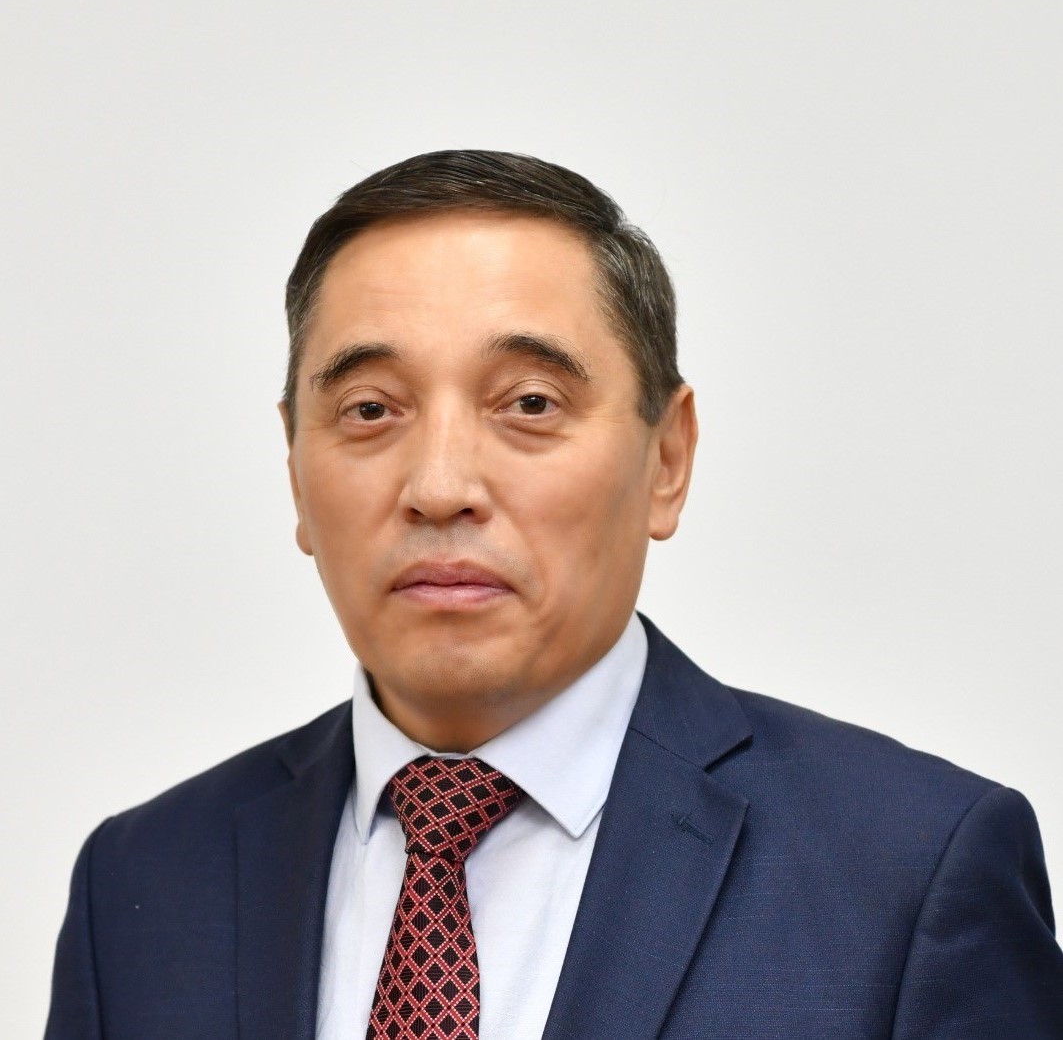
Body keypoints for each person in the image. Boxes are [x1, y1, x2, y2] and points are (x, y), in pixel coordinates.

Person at [46, 150, 1063, 1039]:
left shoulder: (907, 872)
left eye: (528, 402)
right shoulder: (140, 885)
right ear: (294, 471)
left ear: (667, 458)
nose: (440, 484)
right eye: (370, 409)